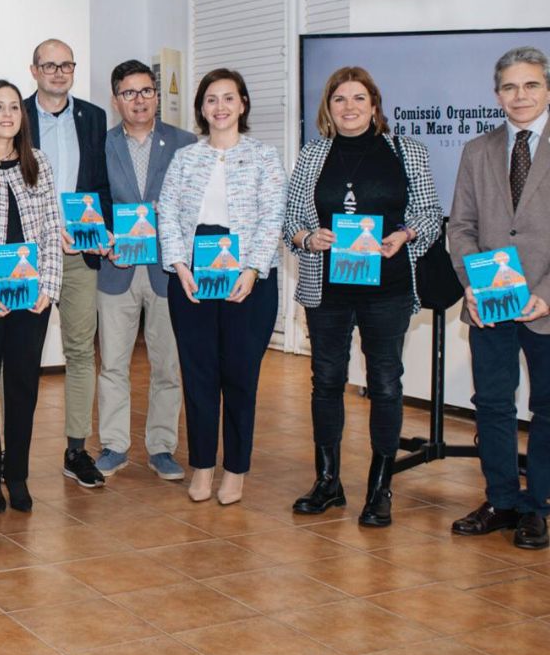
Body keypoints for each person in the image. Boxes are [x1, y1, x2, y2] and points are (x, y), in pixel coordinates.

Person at [284, 66, 442, 527]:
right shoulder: (314, 154)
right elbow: (290, 215)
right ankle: (328, 482)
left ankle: (380, 488)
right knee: (326, 382)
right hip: (328, 289)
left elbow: (430, 213)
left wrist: (405, 235)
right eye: (339, 100)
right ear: (328, 108)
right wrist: (306, 237)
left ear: (374, 105)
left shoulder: (405, 150)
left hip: (388, 288)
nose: (349, 107)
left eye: (358, 99)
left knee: (387, 384)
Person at [158, 68, 285, 506]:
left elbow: (273, 218)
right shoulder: (185, 158)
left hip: (248, 282)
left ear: (243, 104)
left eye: (229, 98)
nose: (220, 107)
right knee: (198, 377)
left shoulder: (265, 157)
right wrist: (179, 264)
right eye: (211, 99)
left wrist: (251, 270)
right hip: (192, 279)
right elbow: (167, 212)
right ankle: (203, 466)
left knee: (240, 378)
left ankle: (235, 470)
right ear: (202, 108)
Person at [447, 46, 550, 551]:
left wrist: (547, 295)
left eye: (530, 85)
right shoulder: (477, 150)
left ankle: (538, 507)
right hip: (489, 304)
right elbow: (461, 227)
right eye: (510, 87)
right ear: (496, 95)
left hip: (546, 307)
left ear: (547, 89)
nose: (520, 95)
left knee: (547, 407)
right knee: (491, 404)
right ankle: (502, 500)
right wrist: (472, 280)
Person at [95, 60, 195, 479]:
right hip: (116, 267)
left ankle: (162, 447)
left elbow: (194, 206)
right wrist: (100, 236)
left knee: (167, 365)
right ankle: (114, 445)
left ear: (157, 95)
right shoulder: (99, 145)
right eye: (129, 92)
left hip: (166, 269)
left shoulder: (185, 143)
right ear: (116, 99)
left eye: (147, 91)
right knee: (113, 363)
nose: (139, 100)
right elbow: (91, 203)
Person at [22, 39, 114, 488]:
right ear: (34, 69)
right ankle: (10, 451)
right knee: (19, 356)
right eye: (49, 65)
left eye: (66, 65)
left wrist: (105, 230)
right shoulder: (14, 114)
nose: (58, 72)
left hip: (79, 252)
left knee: (81, 351)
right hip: (28, 254)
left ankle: (76, 449)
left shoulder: (94, 117)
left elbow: (103, 183)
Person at [0, 79, 63, 513]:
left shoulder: (38, 163)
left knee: (23, 387)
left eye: (13, 107)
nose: (7, 114)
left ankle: (17, 474)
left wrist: (49, 289)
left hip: (32, 296)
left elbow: (50, 228)